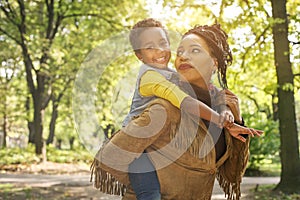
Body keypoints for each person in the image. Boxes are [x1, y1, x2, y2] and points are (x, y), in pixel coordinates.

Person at [91, 23, 263, 200]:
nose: (183, 57)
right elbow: (110, 157)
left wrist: (236, 120)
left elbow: (232, 175)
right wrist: (146, 187)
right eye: (180, 51)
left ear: (214, 63)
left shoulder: (220, 104)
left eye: (194, 51)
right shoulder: (164, 108)